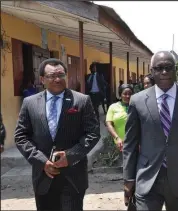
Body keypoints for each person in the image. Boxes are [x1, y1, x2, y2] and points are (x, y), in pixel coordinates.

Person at [123, 51, 178, 211]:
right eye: (159, 68)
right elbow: (130, 144)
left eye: (169, 68)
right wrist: (128, 178)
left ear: (175, 70)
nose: (164, 72)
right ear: (152, 71)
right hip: (148, 177)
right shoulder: (138, 100)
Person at [14, 58, 101, 211]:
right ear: (42, 79)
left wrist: (71, 155)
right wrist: (42, 161)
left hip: (73, 176)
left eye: (61, 75)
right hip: (43, 177)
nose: (57, 79)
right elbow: (21, 136)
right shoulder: (30, 103)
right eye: (51, 76)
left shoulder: (81, 100)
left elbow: (93, 133)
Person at [106, 84, 133, 155]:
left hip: (135, 143)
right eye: (125, 94)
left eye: (130, 94)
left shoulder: (136, 106)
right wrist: (117, 138)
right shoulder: (113, 107)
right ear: (120, 95)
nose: (128, 96)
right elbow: (109, 124)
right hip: (120, 144)